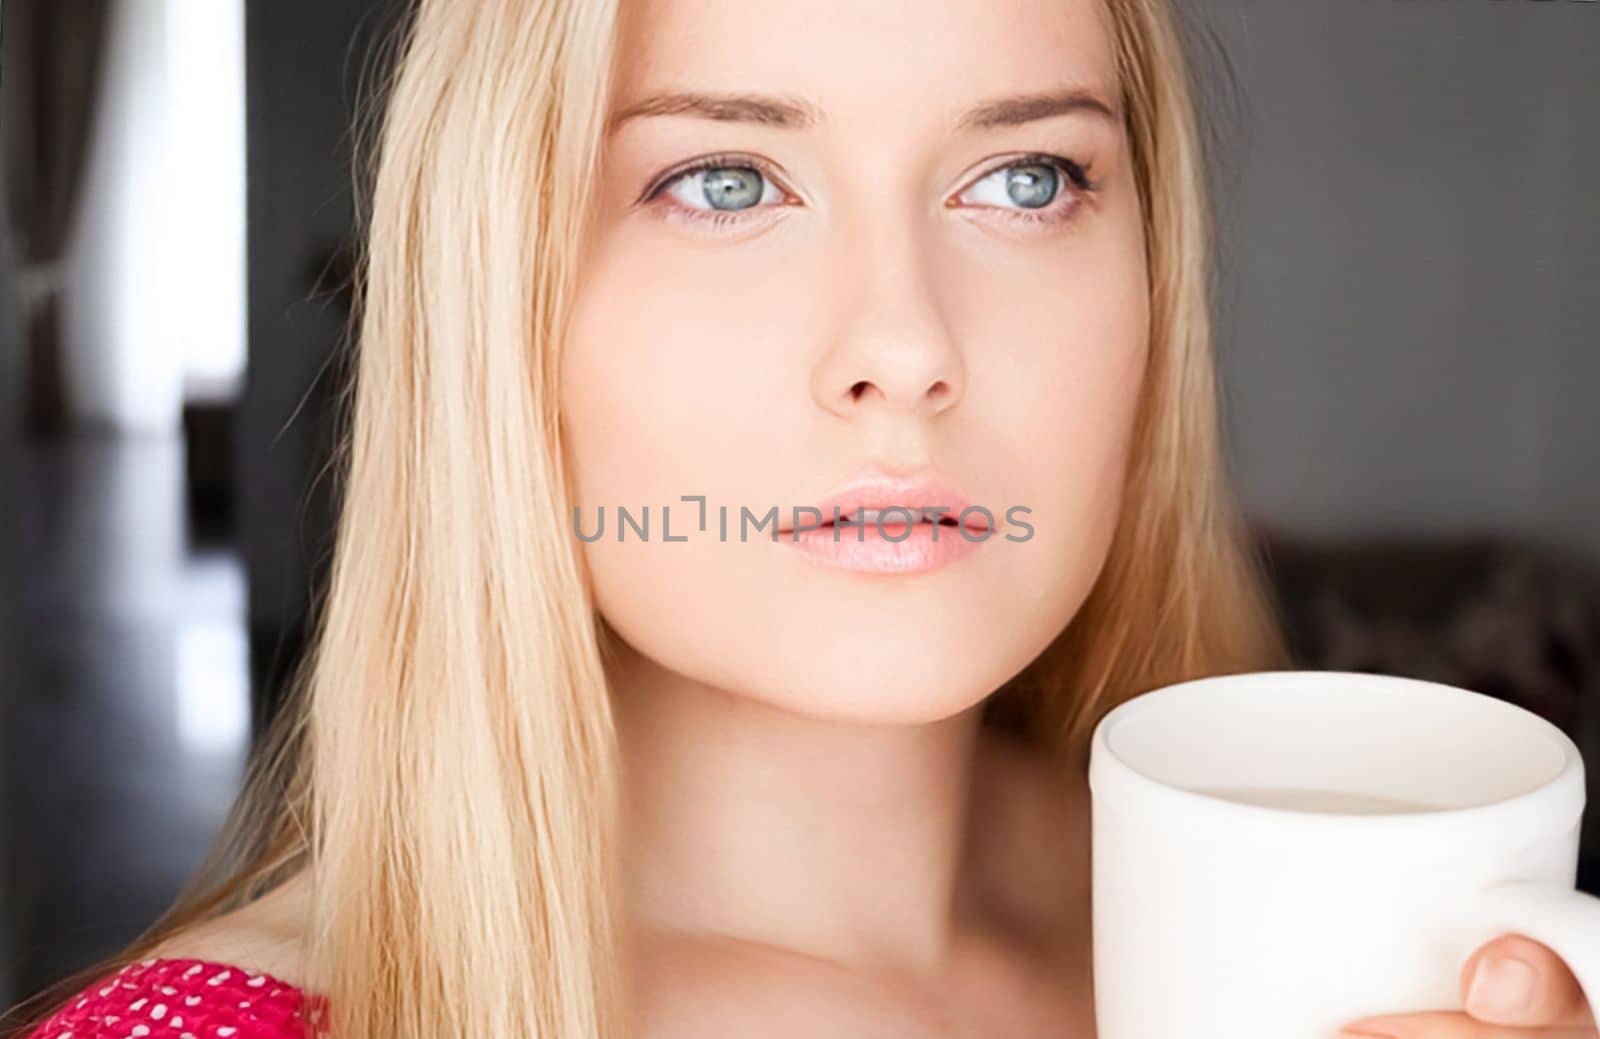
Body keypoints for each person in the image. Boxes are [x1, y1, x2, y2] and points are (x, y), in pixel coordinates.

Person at [8, 0, 1597, 1036]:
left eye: (1030, 179)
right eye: (724, 181)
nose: (904, 347)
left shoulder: (1386, 958)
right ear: (498, 298)